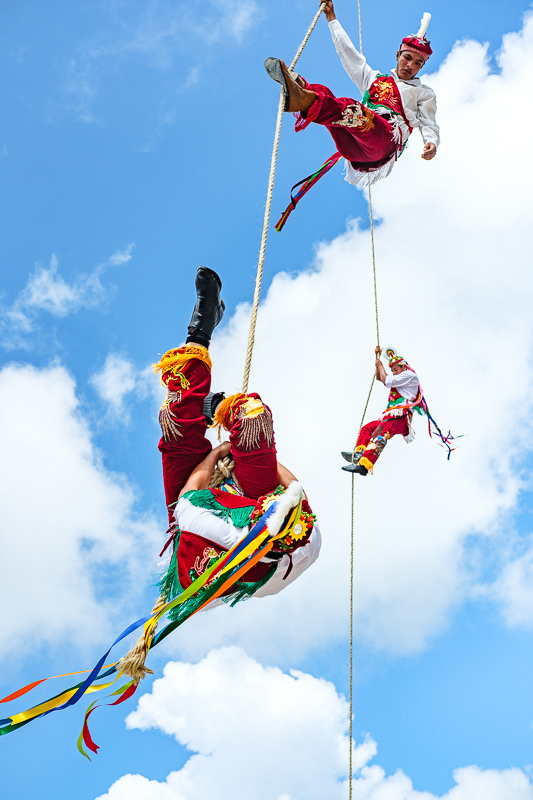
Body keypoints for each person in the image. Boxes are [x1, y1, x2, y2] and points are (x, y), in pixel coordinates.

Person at [154, 267, 321, 606]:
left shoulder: (192, 516)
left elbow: (189, 496)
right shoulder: (280, 522)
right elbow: (294, 489)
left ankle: (199, 330)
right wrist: (235, 444)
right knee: (251, 417)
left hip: (199, 514)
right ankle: (216, 407)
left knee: (176, 426)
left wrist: (215, 456)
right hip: (261, 520)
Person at [265, 0, 439, 187]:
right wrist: (332, 18)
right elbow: (349, 54)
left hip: (383, 142)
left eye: (418, 63)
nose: (410, 65)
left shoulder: (423, 93)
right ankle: (301, 89)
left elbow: (429, 121)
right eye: (407, 57)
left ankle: (302, 99)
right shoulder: (374, 78)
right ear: (398, 55)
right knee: (325, 94)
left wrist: (431, 142)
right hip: (355, 147)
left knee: (352, 109)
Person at [341, 347, 421, 475]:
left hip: (400, 416)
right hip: (391, 415)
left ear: (403, 367)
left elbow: (386, 380)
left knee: (380, 433)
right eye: (392, 370)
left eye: (396, 369)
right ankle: (359, 454)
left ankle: (365, 465)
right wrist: (377, 361)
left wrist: (380, 366)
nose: (394, 373)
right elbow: (380, 378)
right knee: (368, 428)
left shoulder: (409, 376)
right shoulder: (400, 378)